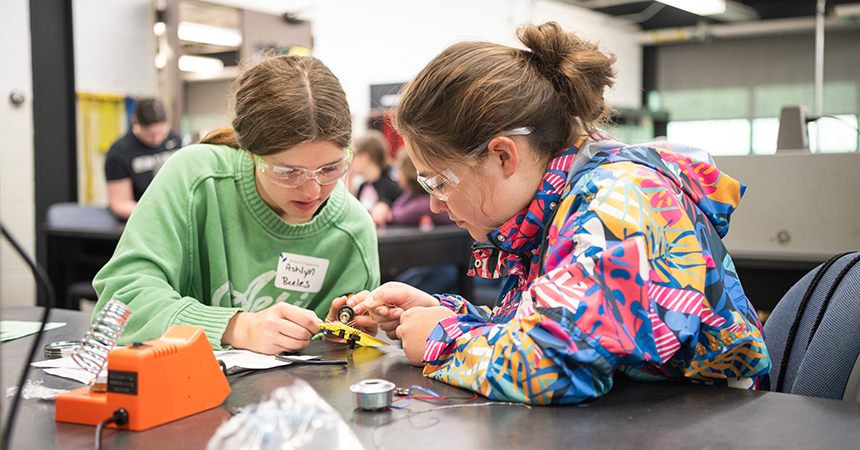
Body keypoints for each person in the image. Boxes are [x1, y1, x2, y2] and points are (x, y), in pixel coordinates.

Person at [355, 21, 771, 404]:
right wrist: (448, 316)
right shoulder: (558, 202)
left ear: (502, 156)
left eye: (440, 182)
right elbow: (555, 325)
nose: (434, 204)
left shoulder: (620, 205)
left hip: (709, 425)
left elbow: (557, 365)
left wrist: (444, 339)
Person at [92, 54, 380, 354]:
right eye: (288, 171)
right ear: (250, 152)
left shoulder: (352, 230)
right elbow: (118, 305)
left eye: (330, 169)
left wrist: (334, 337)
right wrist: (236, 327)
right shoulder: (195, 179)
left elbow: (343, 365)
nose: (312, 189)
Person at [104, 98, 182, 220]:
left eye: (161, 132)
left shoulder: (175, 141)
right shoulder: (119, 151)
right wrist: (156, 214)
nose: (156, 139)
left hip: (174, 214)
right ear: (135, 122)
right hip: (141, 218)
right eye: (150, 134)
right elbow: (120, 202)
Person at [350, 130, 402, 225]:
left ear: (364, 158)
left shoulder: (393, 186)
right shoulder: (362, 187)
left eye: (353, 155)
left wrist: (386, 204)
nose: (350, 161)